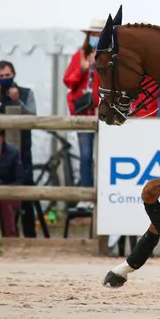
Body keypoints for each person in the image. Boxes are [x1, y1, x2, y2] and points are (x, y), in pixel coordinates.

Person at [0, 60, 37, 237]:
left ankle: (29, 235)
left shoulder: (26, 93)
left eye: (8, 75)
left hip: (22, 150)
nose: (5, 79)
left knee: (26, 192)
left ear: (14, 75)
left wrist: (17, 100)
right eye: (1, 76)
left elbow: (32, 116)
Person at [63, 19, 102, 190]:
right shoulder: (78, 56)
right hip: (84, 112)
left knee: (104, 154)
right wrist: (82, 69)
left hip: (104, 113)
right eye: (93, 34)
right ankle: (85, 193)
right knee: (85, 155)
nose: (95, 37)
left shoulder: (111, 58)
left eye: (99, 34)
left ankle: (103, 191)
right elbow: (68, 82)